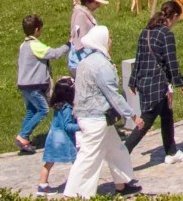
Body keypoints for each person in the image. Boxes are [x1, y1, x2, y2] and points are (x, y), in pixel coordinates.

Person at [63, 26, 138, 198]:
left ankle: (122, 184)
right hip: (96, 118)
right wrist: (132, 114)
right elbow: (112, 94)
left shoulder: (85, 62)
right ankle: (74, 194)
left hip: (89, 116)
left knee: (115, 150)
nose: (111, 41)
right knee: (88, 157)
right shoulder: (102, 65)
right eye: (109, 38)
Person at [126, 0, 183, 165]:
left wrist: (132, 81)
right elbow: (171, 61)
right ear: (174, 16)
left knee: (167, 115)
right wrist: (180, 81)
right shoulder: (166, 34)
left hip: (144, 81)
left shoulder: (145, 32)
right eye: (178, 18)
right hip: (157, 83)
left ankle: (171, 151)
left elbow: (139, 58)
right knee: (146, 120)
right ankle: (123, 152)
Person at [16, 14, 69, 155]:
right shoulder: (35, 45)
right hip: (33, 85)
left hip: (24, 84)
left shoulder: (23, 45)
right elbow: (54, 54)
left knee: (31, 111)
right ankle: (22, 136)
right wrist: (68, 44)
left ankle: (24, 138)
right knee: (43, 110)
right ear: (37, 29)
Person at [37, 78, 78, 196]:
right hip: (64, 139)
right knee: (76, 160)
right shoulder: (67, 108)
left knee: (49, 162)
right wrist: (80, 126)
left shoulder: (57, 105)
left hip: (53, 136)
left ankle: (42, 186)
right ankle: (78, 182)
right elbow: (67, 126)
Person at [69, 0, 106, 66]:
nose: (99, 5)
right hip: (81, 62)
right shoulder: (81, 16)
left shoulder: (84, 13)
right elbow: (80, 44)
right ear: (88, 1)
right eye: (97, 3)